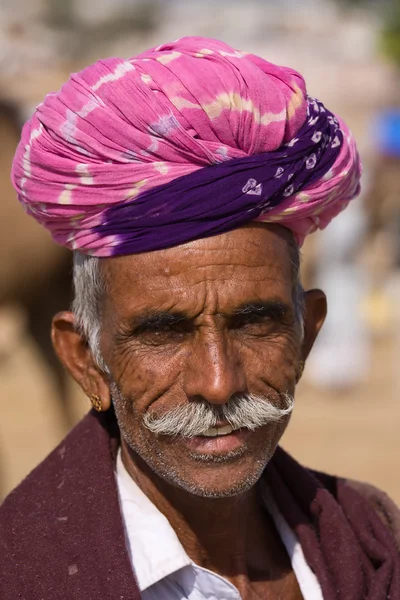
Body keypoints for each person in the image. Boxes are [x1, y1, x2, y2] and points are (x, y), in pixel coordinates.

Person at [1, 37, 399, 600]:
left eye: (255, 323)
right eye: (162, 334)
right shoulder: (22, 575)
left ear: (307, 333)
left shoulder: (371, 539)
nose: (218, 383)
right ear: (86, 359)